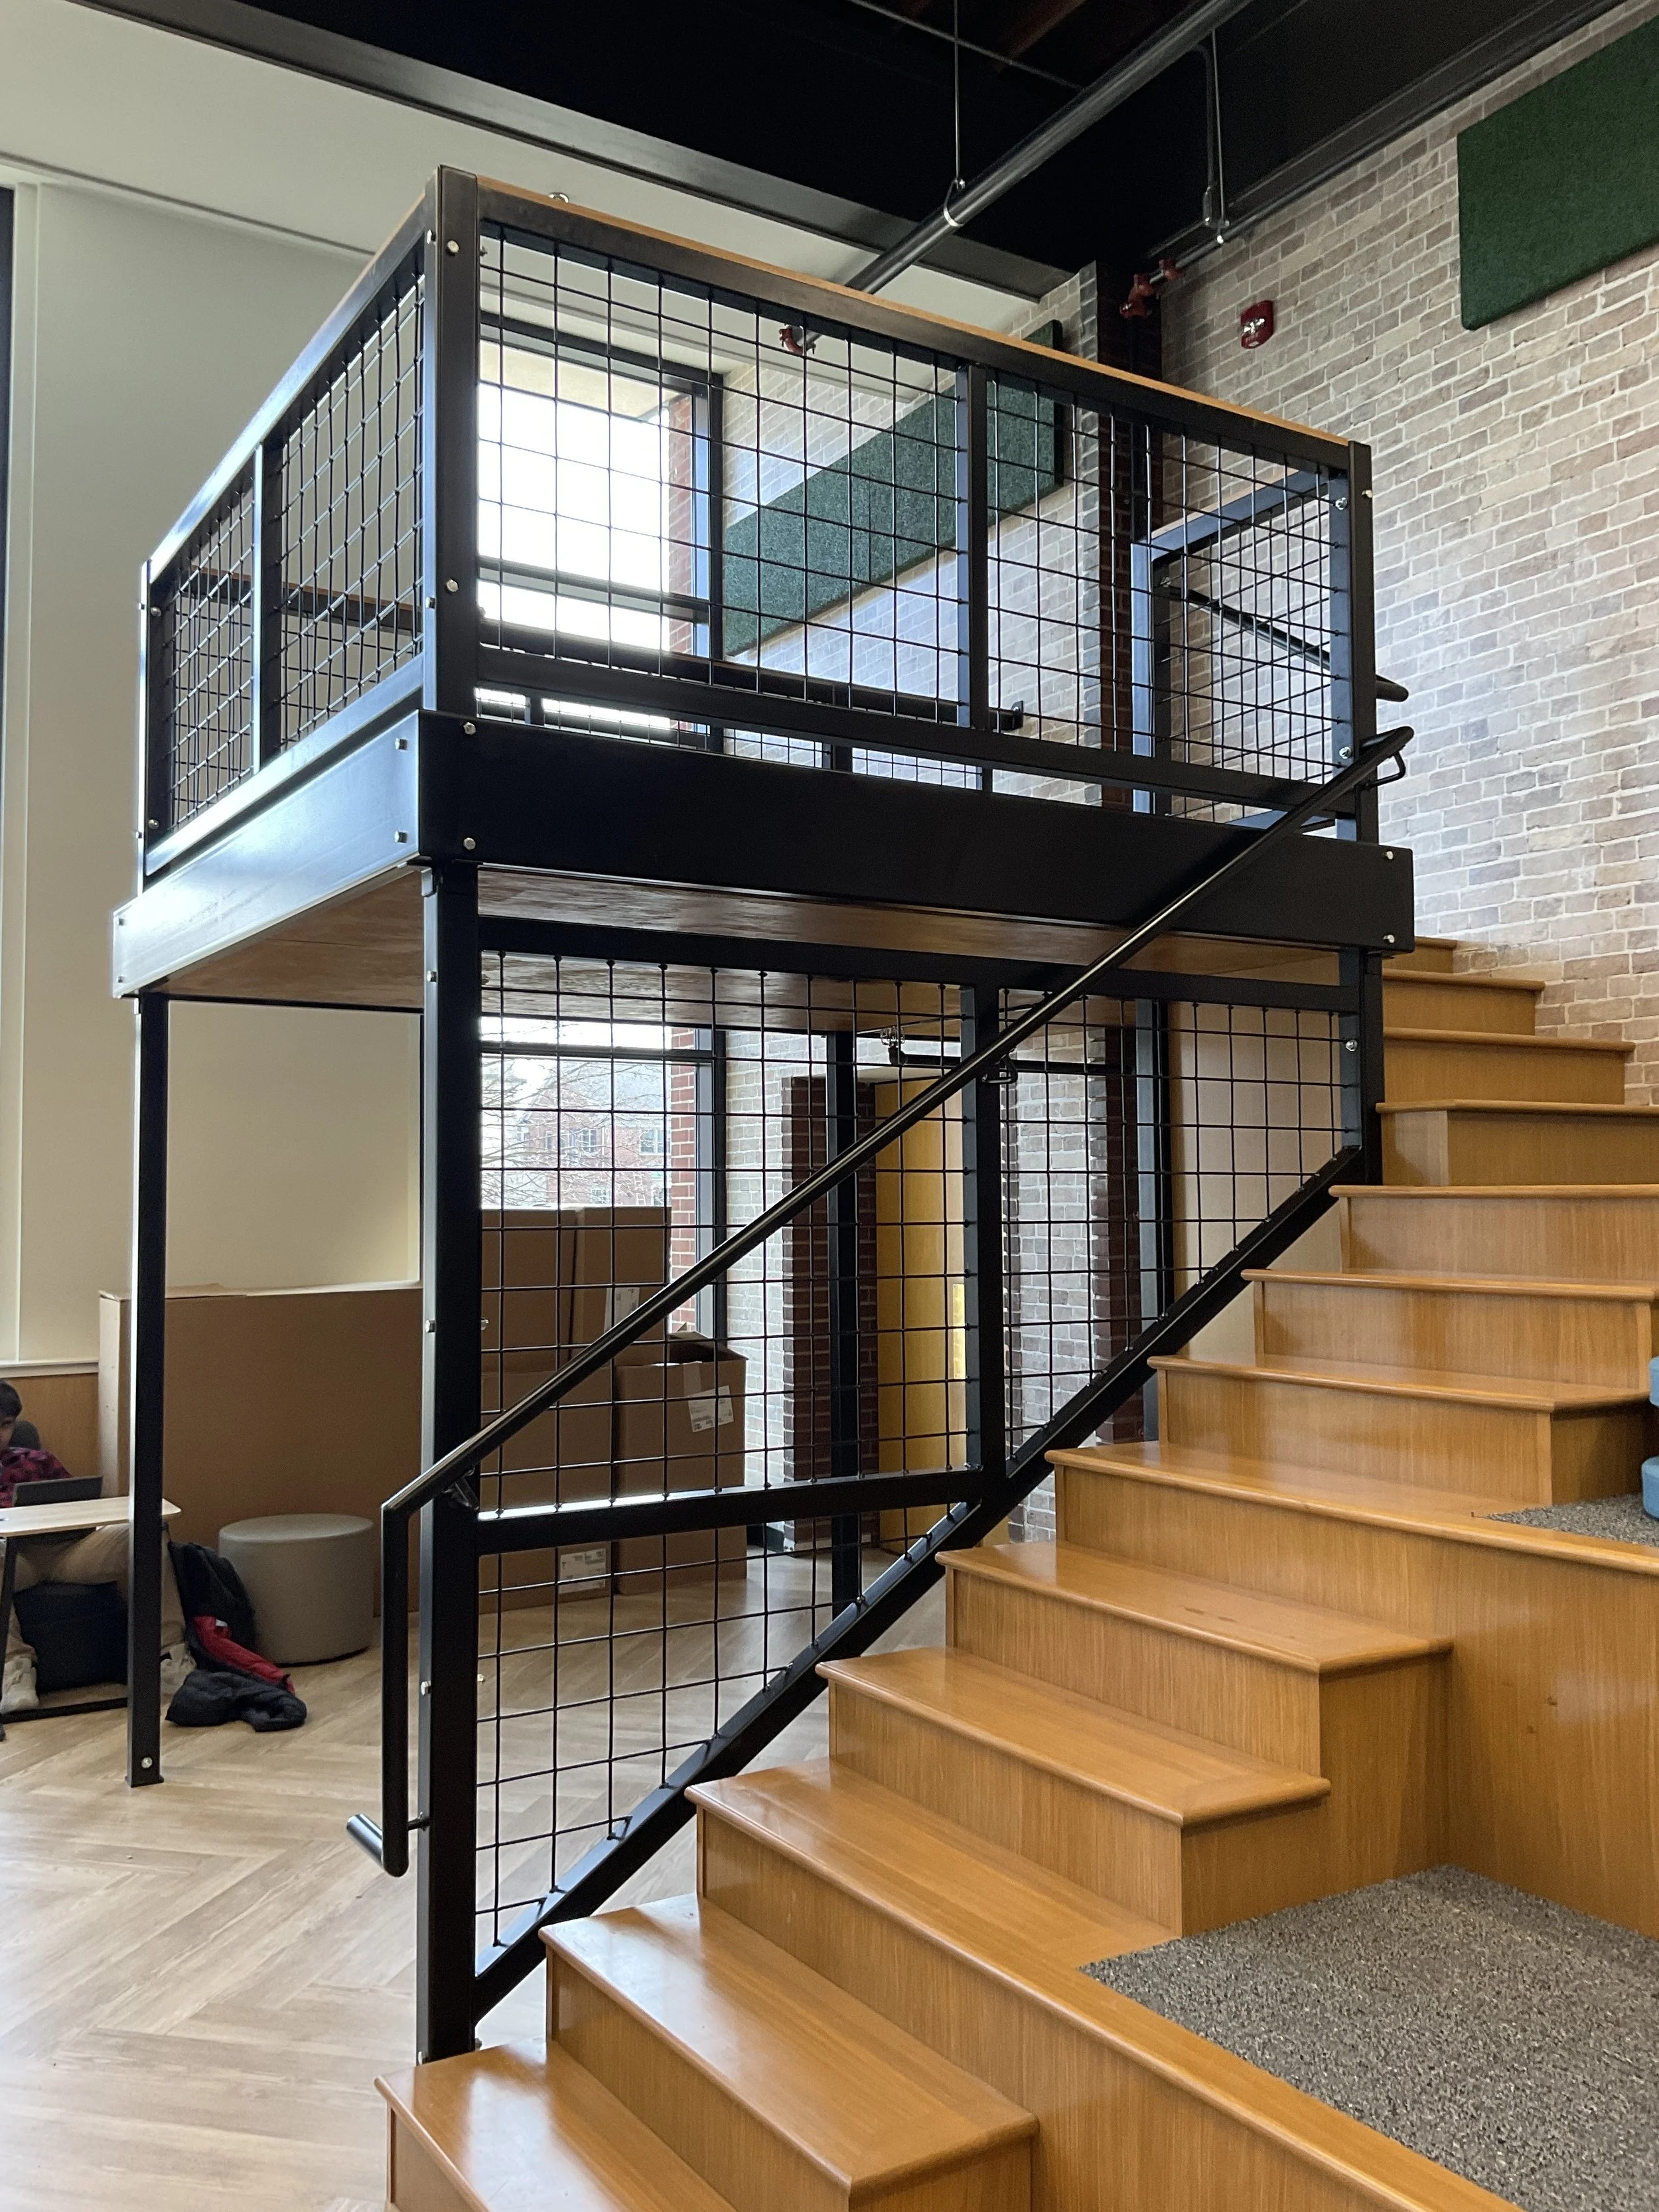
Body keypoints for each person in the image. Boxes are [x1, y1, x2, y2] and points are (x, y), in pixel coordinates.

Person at [0, 1381, 192, 1715]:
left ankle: (167, 1657)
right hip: (14, 1562)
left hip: (68, 1551)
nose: (1, 1435)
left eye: (5, 1426)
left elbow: (81, 1505)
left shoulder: (38, 1461)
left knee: (146, 1532)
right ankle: (14, 1670)